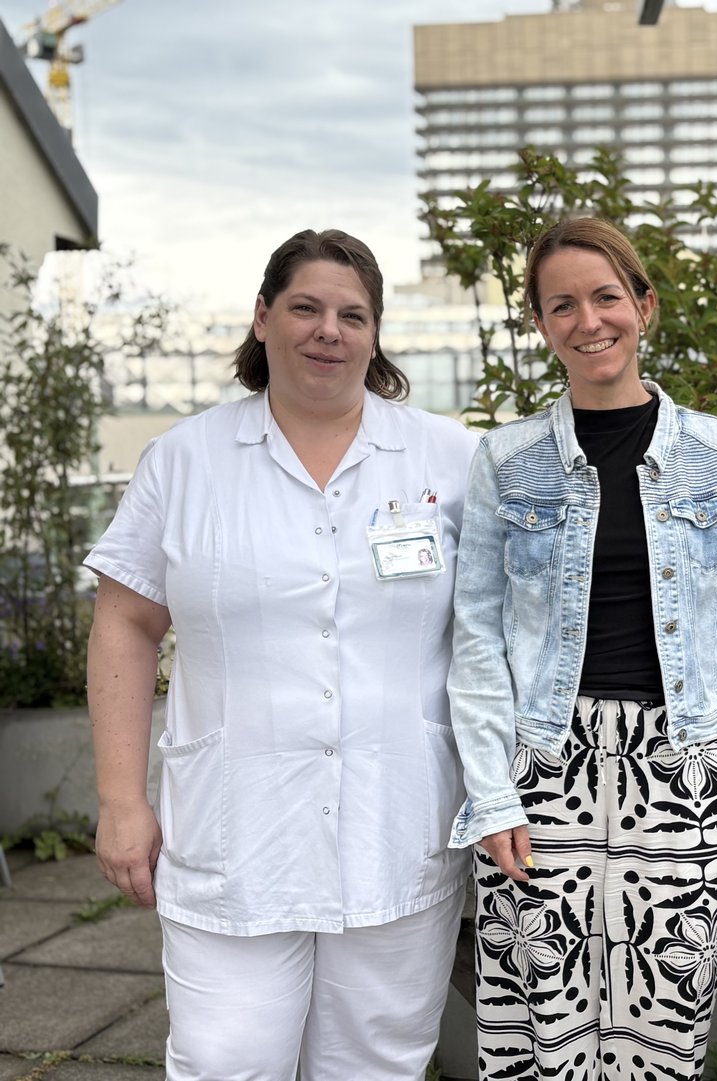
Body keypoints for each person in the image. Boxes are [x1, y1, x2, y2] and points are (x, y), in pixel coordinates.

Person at [85, 228, 479, 1080]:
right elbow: (124, 622)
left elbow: (501, 631)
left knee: (374, 1062)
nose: (327, 329)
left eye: (352, 314)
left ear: (375, 335)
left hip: (396, 822)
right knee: (226, 1060)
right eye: (304, 307)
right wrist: (120, 798)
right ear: (262, 318)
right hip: (235, 833)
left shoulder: (449, 458)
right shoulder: (184, 462)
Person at [446, 216, 717, 1080]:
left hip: (686, 767)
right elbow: (476, 637)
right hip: (543, 767)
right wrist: (491, 795)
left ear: (644, 305)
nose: (587, 320)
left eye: (606, 296)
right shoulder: (506, 460)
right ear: (540, 324)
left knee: (666, 1025)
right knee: (542, 1023)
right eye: (561, 304)